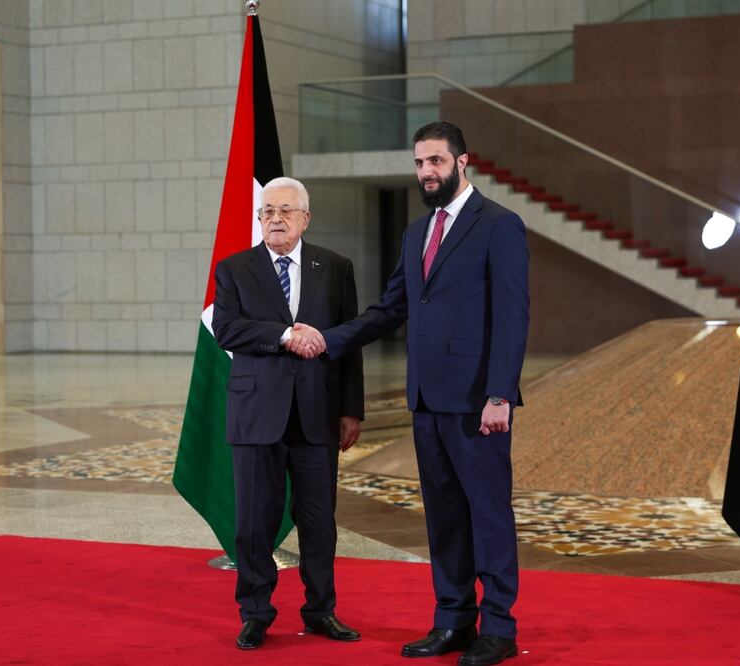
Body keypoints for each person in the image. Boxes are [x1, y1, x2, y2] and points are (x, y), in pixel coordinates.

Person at [290, 122, 529, 666]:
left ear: (463, 161)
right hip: (426, 402)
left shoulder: (500, 226)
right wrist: (328, 338)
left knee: (488, 515)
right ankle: (453, 621)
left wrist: (500, 395)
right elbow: (389, 309)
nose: (426, 172)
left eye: (436, 162)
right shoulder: (416, 233)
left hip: (476, 404)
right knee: (443, 518)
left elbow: (513, 319)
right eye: (419, 163)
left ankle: (499, 628)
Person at [212, 176, 364, 651]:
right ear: (258, 218)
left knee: (319, 521)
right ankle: (256, 613)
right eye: (267, 211)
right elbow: (226, 329)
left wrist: (351, 410)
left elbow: (349, 343)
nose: (274, 219)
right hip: (257, 413)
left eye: (285, 211)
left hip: (318, 414)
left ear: (305, 218)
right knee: (254, 521)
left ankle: (321, 611)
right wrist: (284, 335)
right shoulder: (234, 268)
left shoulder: (335, 268)